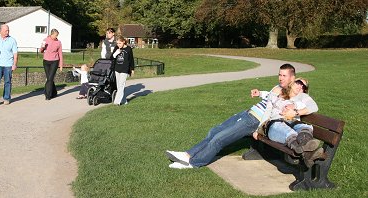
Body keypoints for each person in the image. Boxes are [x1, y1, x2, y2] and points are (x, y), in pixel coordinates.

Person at [165, 64, 316, 169]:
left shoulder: (296, 95)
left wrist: (294, 112)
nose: (280, 78)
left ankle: (195, 163)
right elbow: (269, 97)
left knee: (220, 139)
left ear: (292, 77)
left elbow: (308, 106)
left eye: (284, 76)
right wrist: (260, 93)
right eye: (279, 74)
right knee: (214, 131)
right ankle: (187, 154)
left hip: (253, 121)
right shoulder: (278, 88)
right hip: (247, 113)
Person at [254, 78, 322, 167]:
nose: (300, 86)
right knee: (289, 132)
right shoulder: (281, 94)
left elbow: (314, 107)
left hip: (292, 123)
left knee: (305, 127)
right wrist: (258, 129)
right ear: (291, 83)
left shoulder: (303, 97)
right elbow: (268, 109)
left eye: (304, 87)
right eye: (298, 83)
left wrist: (295, 112)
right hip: (275, 125)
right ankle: (309, 153)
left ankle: (306, 153)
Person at [40, 29, 64, 100]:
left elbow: (60, 54)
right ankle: (54, 92)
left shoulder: (58, 42)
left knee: (50, 78)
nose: (57, 37)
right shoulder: (45, 40)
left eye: (57, 35)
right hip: (46, 61)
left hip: (55, 61)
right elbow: (41, 51)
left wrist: (61, 65)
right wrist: (43, 47)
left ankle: (47, 95)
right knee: (49, 78)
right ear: (52, 34)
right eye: (56, 35)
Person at [110, 36, 135, 105]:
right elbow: (111, 57)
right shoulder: (116, 48)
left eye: (120, 43)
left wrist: (132, 69)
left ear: (123, 42)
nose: (118, 45)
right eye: (117, 43)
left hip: (125, 69)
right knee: (119, 86)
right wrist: (116, 53)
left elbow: (131, 60)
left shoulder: (128, 49)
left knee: (121, 85)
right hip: (117, 69)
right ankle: (124, 101)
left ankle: (117, 102)